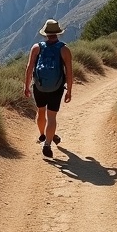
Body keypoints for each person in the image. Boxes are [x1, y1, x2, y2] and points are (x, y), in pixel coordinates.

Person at [23, 19, 74, 158]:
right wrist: (69, 90)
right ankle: (47, 144)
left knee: (41, 112)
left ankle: (42, 135)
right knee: (52, 117)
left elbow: (29, 68)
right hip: (56, 88)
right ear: (58, 33)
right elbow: (69, 71)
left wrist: (26, 86)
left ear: (45, 33)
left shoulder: (36, 47)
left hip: (39, 87)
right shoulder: (64, 49)